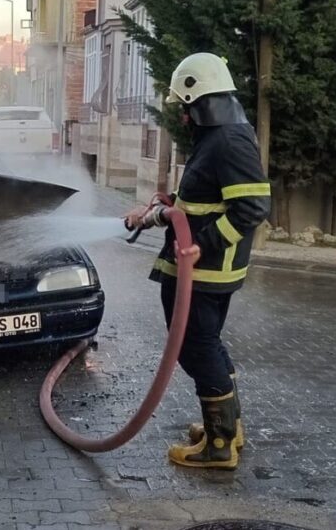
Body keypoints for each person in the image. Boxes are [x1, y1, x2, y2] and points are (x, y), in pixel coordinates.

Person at [125, 53, 270, 471]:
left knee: (196, 348)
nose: (184, 116)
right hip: (203, 271)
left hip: (204, 271)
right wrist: (165, 206)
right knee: (206, 344)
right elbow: (207, 196)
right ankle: (227, 427)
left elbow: (252, 207)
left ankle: (219, 445)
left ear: (201, 99)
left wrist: (200, 246)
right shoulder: (220, 135)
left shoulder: (228, 140)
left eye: (186, 107)